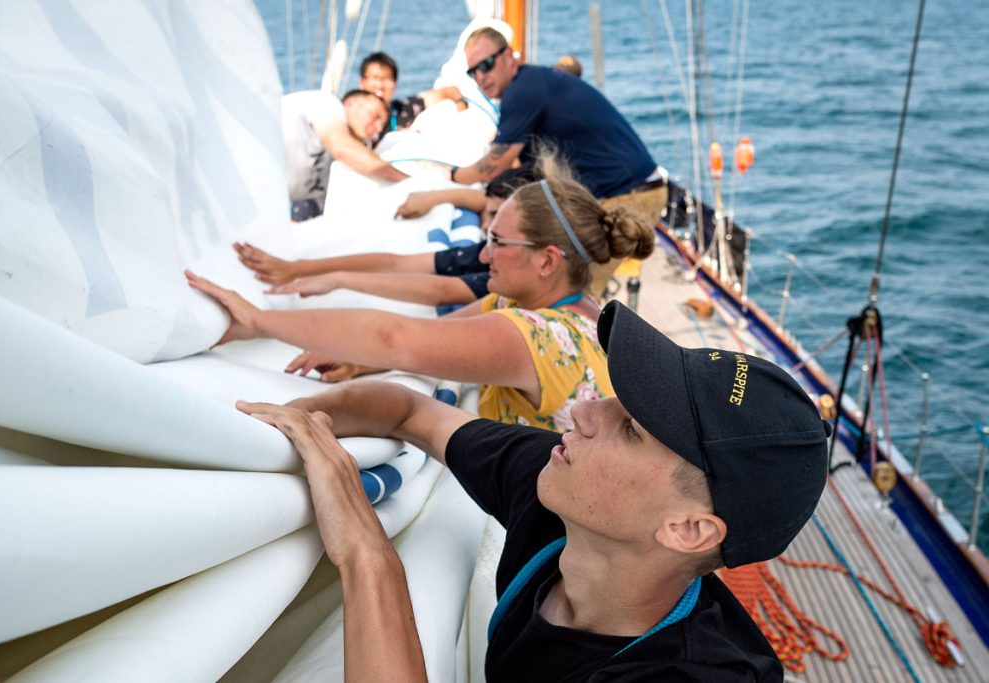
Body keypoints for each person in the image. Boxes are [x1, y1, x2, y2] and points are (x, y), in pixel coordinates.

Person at [236, 300, 830, 681]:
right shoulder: (560, 498)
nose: (584, 410)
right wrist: (293, 418)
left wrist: (367, 556)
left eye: (631, 428)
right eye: (613, 395)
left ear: (688, 528)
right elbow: (411, 413)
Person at [187, 153, 652, 429]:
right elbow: (436, 333)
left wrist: (258, 320)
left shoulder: (541, 337)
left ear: (547, 261)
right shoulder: (569, 309)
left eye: (497, 242)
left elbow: (396, 338)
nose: (485, 256)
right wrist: (359, 362)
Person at [451, 27, 668, 295]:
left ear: (508, 56)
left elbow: (495, 164)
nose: (481, 77)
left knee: (570, 291)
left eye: (486, 65)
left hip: (628, 197)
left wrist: (451, 174)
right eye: (474, 72)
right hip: (632, 189)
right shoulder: (533, 83)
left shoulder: (522, 91)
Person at [234, 168, 535, 316]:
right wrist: (298, 268)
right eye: (487, 217)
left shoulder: (513, 273)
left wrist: (338, 279)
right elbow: (396, 263)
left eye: (495, 224)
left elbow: (440, 291)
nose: (485, 230)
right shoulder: (513, 246)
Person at [282, 88, 408, 221]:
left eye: (381, 126)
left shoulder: (340, 167)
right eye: (375, 116)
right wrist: (410, 181)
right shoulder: (327, 103)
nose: (378, 127)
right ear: (350, 103)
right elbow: (342, 148)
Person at [357, 52, 464, 137]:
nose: (380, 85)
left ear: (395, 84)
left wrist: (461, 110)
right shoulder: (350, 116)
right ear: (362, 82)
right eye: (375, 78)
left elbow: (451, 92)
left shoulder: (405, 109)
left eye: (386, 79)